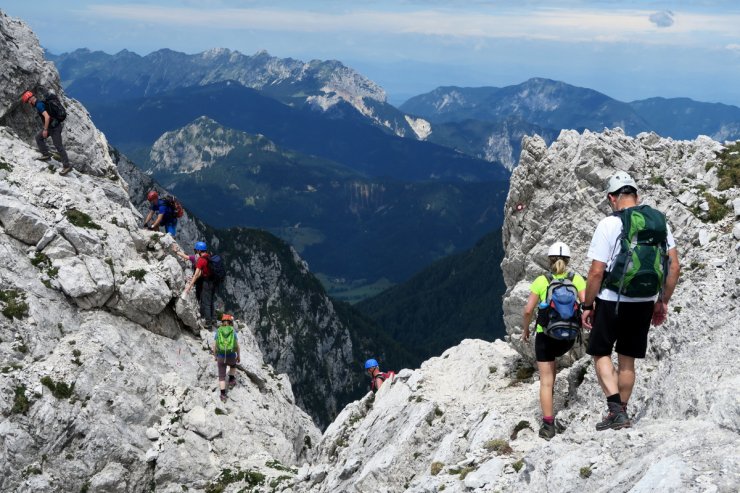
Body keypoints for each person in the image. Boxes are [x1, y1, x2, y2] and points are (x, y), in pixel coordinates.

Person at [581, 171, 680, 431]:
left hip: (613, 300)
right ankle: (621, 413)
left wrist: (588, 304)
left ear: (612, 198)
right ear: (637, 196)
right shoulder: (660, 223)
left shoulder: (609, 224)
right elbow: (674, 267)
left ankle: (615, 410)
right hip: (645, 301)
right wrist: (662, 301)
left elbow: (596, 272)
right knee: (627, 360)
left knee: (600, 352)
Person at [522, 241, 586, 440]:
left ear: (549, 260)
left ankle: (548, 426)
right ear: (568, 260)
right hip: (569, 337)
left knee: (547, 381)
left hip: (546, 336)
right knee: (556, 368)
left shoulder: (542, 281)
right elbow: (586, 304)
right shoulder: (577, 280)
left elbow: (527, 310)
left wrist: (526, 330)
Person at [21, 90, 72, 175]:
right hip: (51, 127)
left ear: (30, 100)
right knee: (38, 138)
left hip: (55, 128)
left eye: (27, 102)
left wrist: (45, 130)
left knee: (58, 146)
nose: (28, 104)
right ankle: (46, 155)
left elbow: (47, 117)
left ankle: (67, 166)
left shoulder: (39, 105)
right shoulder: (40, 103)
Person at [182, 241, 218, 325]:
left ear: (198, 250)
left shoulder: (201, 260)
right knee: (211, 300)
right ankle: (214, 320)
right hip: (214, 281)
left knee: (206, 302)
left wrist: (189, 287)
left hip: (207, 282)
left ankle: (208, 323)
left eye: (196, 250)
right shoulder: (210, 256)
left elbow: (196, 275)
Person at [212, 314, 240, 402]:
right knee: (233, 365)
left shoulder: (218, 331)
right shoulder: (233, 331)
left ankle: (223, 395)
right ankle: (231, 379)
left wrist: (215, 355)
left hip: (220, 356)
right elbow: (237, 345)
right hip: (231, 355)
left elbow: (214, 345)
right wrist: (238, 355)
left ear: (222, 322)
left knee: (221, 377)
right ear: (230, 322)